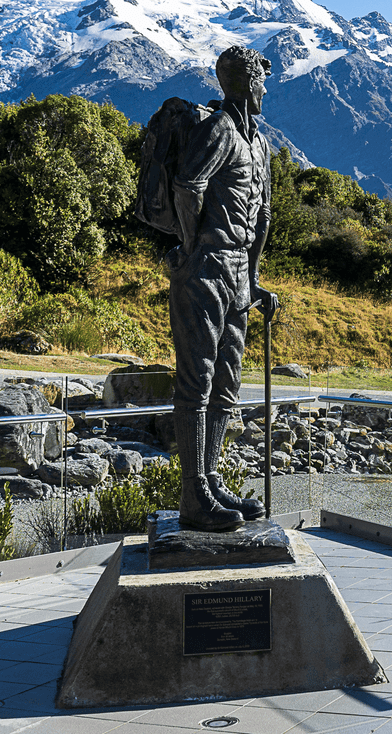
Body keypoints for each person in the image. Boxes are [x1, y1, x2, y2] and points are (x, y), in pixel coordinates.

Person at [167, 45, 279, 531]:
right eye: (262, 82)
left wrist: (252, 278)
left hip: (237, 273)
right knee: (197, 380)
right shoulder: (219, 129)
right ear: (249, 83)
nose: (265, 90)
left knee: (227, 383)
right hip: (207, 265)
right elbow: (188, 186)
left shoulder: (260, 143)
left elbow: (264, 213)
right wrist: (192, 246)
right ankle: (193, 493)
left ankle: (210, 479)